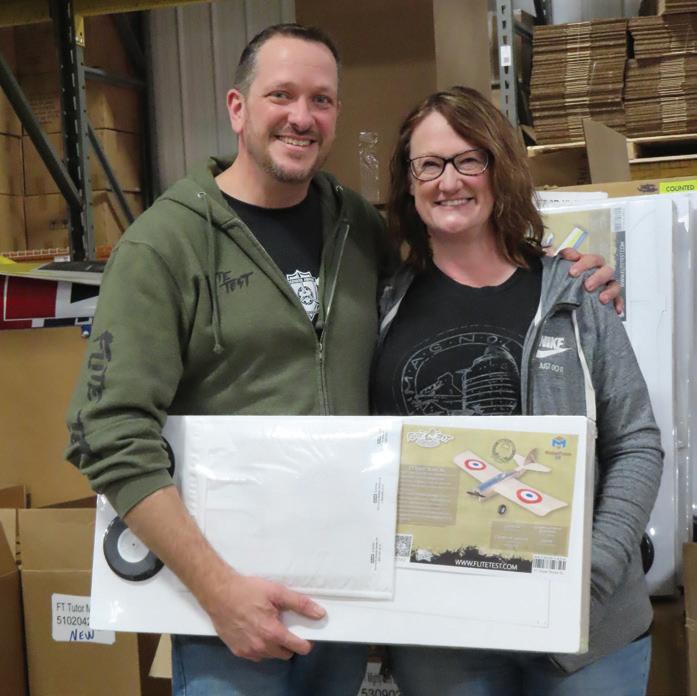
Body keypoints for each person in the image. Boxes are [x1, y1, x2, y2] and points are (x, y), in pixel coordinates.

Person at [65, 24, 621, 696]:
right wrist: (216, 591)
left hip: (343, 606)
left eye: (321, 99)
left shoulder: (357, 227)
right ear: (237, 108)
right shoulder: (163, 247)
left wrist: (567, 272)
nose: (301, 117)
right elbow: (108, 433)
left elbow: (462, 277)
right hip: (227, 613)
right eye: (281, 95)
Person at [372, 86, 663, 696]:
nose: (450, 181)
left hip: (585, 635)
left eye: (469, 159)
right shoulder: (381, 308)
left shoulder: (576, 293)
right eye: (429, 164)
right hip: (442, 633)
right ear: (409, 183)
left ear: (499, 167)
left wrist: (592, 576)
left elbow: (636, 443)